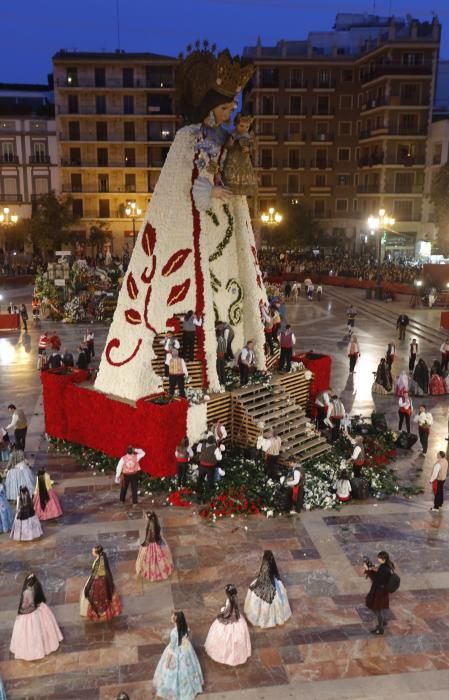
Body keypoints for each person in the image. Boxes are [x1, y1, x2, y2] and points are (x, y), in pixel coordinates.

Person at [10, 574, 63, 660]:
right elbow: (33, 604)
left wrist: (22, 610)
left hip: (30, 614)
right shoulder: (36, 593)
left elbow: (30, 606)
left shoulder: (26, 593)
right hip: (34, 611)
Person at [153, 611, 203, 700]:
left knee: (172, 672)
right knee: (188, 669)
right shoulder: (185, 627)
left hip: (176, 652)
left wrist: (167, 662)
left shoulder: (173, 632)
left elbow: (172, 649)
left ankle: (175, 693)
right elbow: (187, 636)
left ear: (175, 620)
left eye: (172, 617)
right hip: (186, 650)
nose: (171, 618)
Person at [205, 584, 251, 666]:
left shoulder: (230, 602)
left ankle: (228, 657)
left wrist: (222, 612)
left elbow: (227, 614)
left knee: (226, 639)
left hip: (230, 620)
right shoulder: (235, 599)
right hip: (237, 619)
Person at [244, 550, 291, 628]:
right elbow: (275, 574)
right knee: (277, 600)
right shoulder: (272, 567)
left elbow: (262, 576)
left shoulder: (264, 566)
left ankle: (262, 619)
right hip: (271, 585)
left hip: (265, 584)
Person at [82, 545, 121, 621]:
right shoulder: (103, 555)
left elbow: (93, 577)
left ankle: (100, 612)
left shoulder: (97, 563)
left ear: (96, 553)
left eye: (93, 551)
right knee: (105, 596)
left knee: (97, 597)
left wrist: (87, 589)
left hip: (99, 581)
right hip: (104, 579)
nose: (92, 552)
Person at [222, 112, 257, 196]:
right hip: (232, 159)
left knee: (243, 176)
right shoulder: (232, 134)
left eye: (247, 127)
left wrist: (248, 149)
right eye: (241, 126)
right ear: (236, 124)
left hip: (244, 161)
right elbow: (227, 145)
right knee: (231, 176)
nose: (244, 129)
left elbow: (254, 147)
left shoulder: (249, 136)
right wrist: (232, 140)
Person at [136, 511, 174, 581]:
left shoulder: (150, 525)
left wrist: (144, 543)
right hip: (157, 541)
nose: (144, 518)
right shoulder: (154, 522)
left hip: (151, 543)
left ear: (148, 518)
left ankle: (153, 573)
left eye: (145, 517)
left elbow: (149, 537)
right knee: (162, 555)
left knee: (151, 558)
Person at [364, 551, 395, 635]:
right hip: (382, 592)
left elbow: (377, 580)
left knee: (376, 609)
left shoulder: (384, 569)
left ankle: (380, 629)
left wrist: (368, 570)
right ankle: (383, 621)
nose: (378, 559)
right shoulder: (388, 565)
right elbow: (379, 576)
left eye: (379, 558)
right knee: (376, 607)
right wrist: (373, 568)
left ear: (383, 559)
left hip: (379, 593)